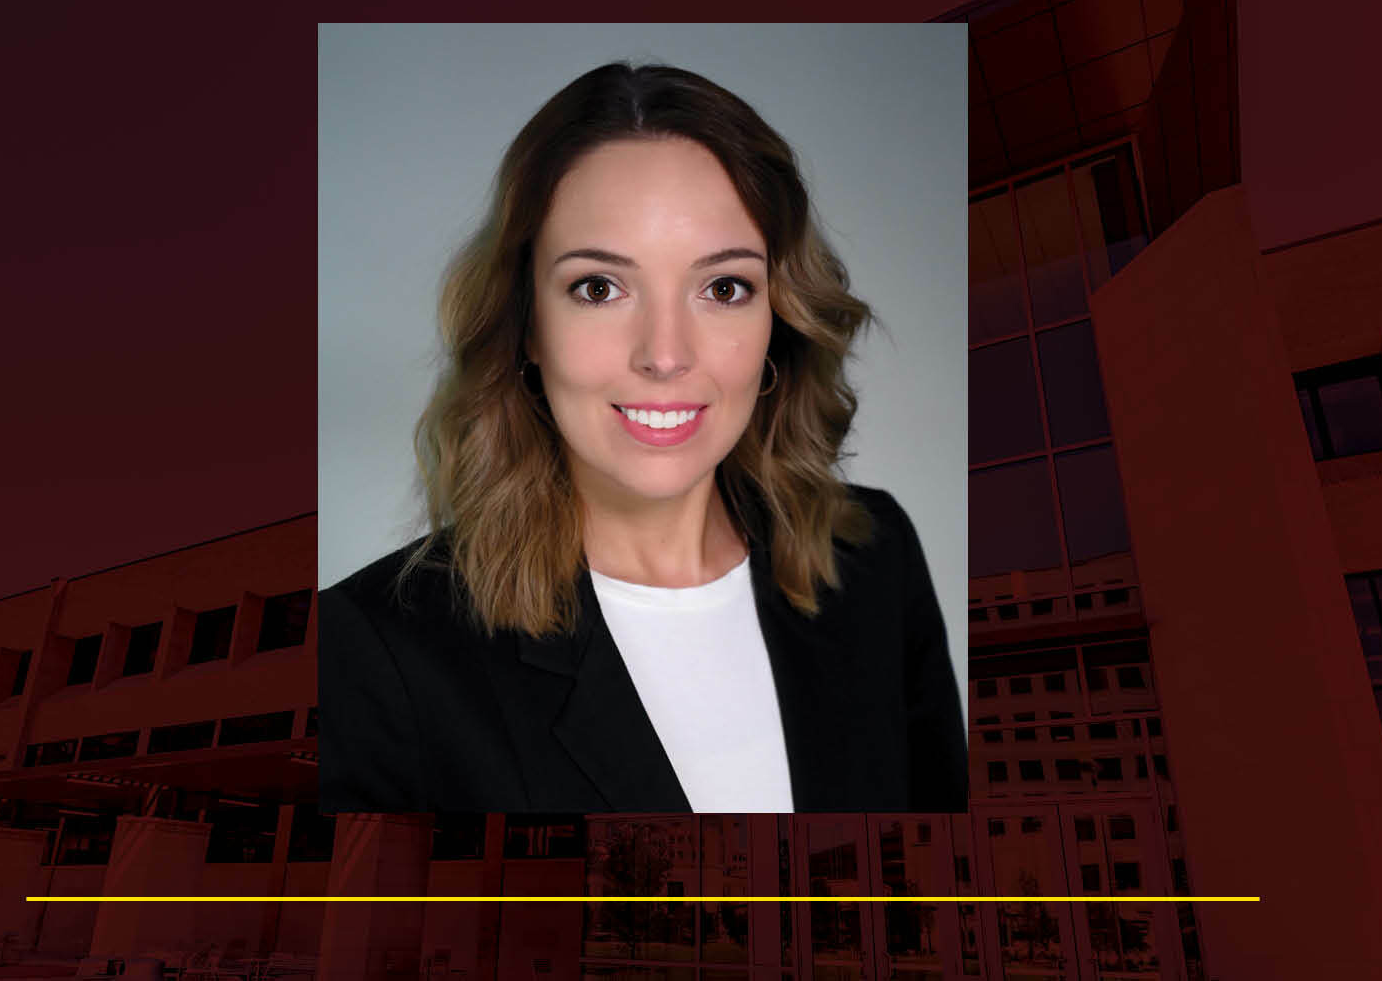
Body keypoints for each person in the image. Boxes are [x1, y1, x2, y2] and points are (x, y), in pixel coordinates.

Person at [318, 62, 966, 813]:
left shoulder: (877, 554)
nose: (664, 354)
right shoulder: (371, 650)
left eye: (724, 288)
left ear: (778, 322)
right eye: (599, 287)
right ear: (526, 324)